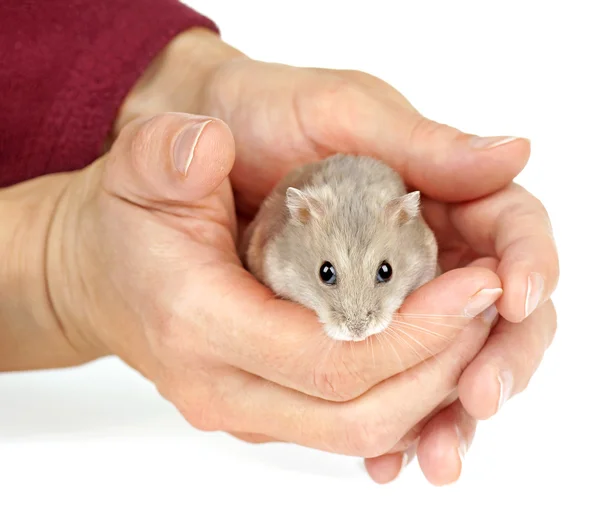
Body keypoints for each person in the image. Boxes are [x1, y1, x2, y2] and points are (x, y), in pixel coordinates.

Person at [0, 0, 558, 485]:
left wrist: (170, 78)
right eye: (329, 276)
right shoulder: (296, 224)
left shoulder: (407, 222)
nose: (357, 317)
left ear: (406, 224)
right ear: (300, 223)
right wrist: (58, 262)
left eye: (384, 274)